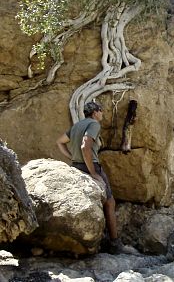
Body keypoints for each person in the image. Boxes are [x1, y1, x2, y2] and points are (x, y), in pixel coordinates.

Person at [56, 101, 124, 254]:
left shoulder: (77, 126)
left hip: (76, 166)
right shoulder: (94, 124)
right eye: (101, 111)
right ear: (95, 112)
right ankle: (114, 244)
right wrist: (93, 173)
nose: (102, 114)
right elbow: (85, 146)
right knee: (109, 202)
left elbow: (59, 142)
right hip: (90, 166)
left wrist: (72, 157)